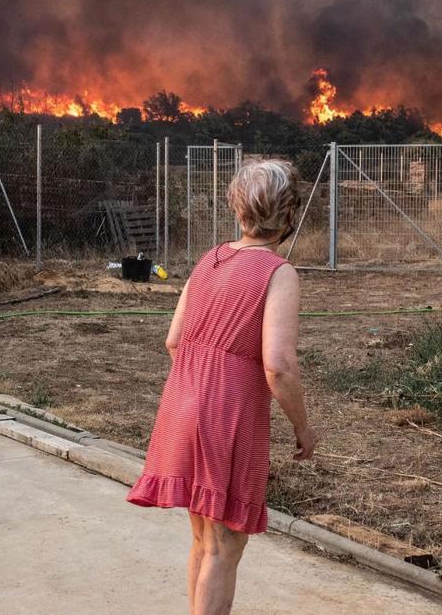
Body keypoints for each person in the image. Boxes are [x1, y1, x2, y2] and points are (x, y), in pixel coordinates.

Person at [126, 159, 319, 615]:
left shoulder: (209, 260)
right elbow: (278, 367)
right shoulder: (278, 273)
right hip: (228, 414)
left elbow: (174, 340)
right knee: (225, 547)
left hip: (182, 401)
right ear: (290, 214)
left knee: (203, 539)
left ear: (238, 209)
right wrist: (304, 429)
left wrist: (201, 382)